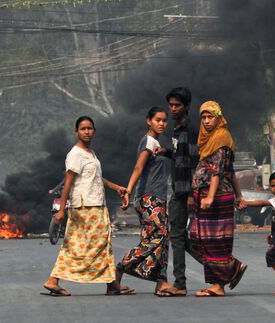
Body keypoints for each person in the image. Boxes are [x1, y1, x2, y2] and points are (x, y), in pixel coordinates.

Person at [43, 116, 133, 297]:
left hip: (96, 205)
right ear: (77, 132)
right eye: (83, 129)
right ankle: (53, 280)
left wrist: (116, 187)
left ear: (94, 131)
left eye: (89, 128)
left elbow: (96, 178)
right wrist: (61, 209)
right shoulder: (76, 154)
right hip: (85, 208)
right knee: (78, 246)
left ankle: (111, 284)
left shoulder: (90, 153)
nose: (86, 131)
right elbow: (68, 182)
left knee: (103, 244)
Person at [191, 101, 247, 297]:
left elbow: (218, 171)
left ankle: (220, 283)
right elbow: (232, 172)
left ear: (218, 118)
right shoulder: (207, 140)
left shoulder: (221, 138)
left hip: (216, 197)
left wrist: (211, 197)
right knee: (199, 237)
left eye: (210, 117)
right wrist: (240, 195)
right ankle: (227, 272)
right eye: (203, 117)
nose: (206, 121)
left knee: (214, 240)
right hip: (205, 195)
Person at [118, 107, 173, 297]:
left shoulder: (157, 143)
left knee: (163, 239)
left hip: (158, 197)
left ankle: (162, 283)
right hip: (149, 198)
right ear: (148, 121)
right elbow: (138, 168)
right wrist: (128, 190)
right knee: (156, 238)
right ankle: (118, 270)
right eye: (157, 120)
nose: (162, 123)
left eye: (164, 120)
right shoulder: (149, 141)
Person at [154, 87, 201, 296]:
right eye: (171, 105)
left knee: (178, 235)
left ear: (187, 106)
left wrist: (191, 193)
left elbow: (193, 162)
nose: (172, 109)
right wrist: (167, 152)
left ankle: (180, 284)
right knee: (179, 236)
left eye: (177, 105)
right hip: (179, 188)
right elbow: (180, 156)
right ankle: (226, 268)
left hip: (185, 190)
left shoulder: (190, 129)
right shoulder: (177, 129)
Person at [242, 171, 275, 296]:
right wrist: (272, 235)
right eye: (273, 186)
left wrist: (246, 203)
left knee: (270, 255)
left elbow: (261, 203)